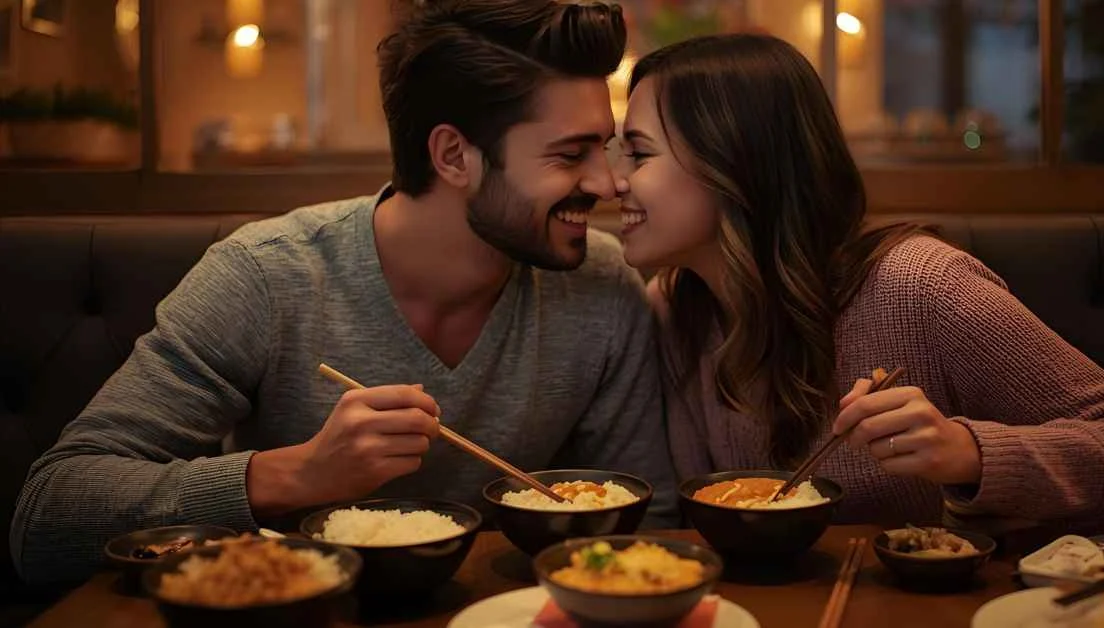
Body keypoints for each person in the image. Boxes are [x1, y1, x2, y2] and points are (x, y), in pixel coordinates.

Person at [12, 0, 678, 585]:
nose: (608, 183)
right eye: (570, 155)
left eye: (607, 148)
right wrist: (296, 474)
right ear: (453, 156)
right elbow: (48, 515)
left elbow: (656, 526)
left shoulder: (603, 289)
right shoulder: (267, 275)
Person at [613, 33, 1104, 532]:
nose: (613, 181)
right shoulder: (675, 306)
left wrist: (969, 453)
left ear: (732, 164)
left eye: (638, 154)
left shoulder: (919, 285)